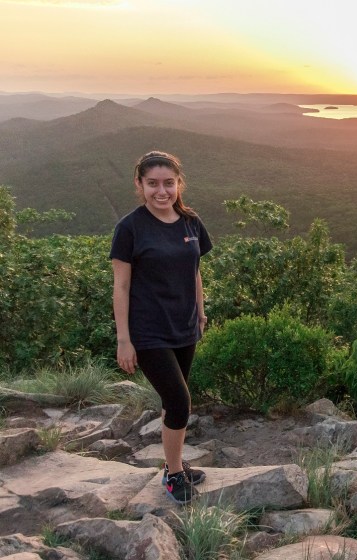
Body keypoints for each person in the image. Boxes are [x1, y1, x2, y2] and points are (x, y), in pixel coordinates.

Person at [110, 151, 212, 504]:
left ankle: (177, 464)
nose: (161, 191)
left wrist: (200, 309)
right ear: (139, 185)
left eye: (168, 183)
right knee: (180, 401)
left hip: (183, 326)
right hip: (148, 330)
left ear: (178, 184)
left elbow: (195, 269)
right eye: (152, 183)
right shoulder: (130, 228)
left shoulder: (190, 222)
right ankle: (172, 474)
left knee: (173, 401)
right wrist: (124, 339)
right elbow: (120, 286)